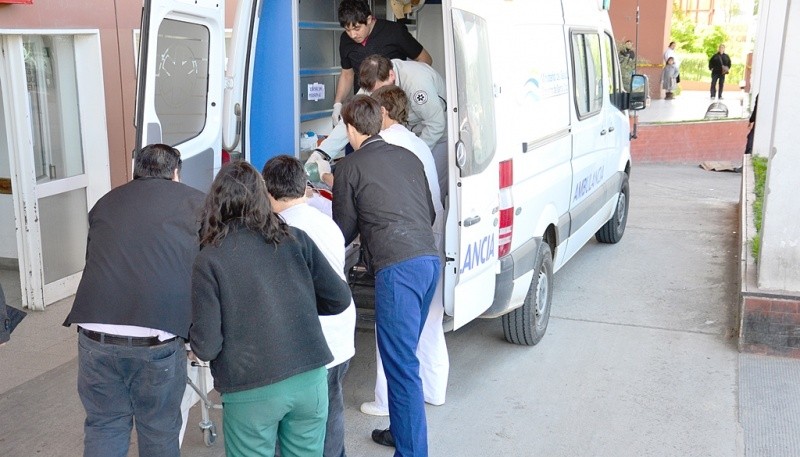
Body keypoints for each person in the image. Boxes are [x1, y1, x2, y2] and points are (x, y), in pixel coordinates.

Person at [190, 161, 352, 457]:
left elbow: (207, 346)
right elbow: (339, 299)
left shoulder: (211, 258)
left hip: (250, 387)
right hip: (310, 377)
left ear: (215, 202)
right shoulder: (294, 238)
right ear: (264, 196)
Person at [63, 143, 204, 457]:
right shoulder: (198, 204)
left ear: (135, 171)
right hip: (155, 339)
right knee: (158, 430)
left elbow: (95, 258)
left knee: (104, 425)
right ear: (176, 172)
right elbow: (204, 274)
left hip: (94, 335)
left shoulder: (105, 203)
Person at [332, 95, 439, 456]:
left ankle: (412, 452)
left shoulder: (350, 166)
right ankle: (400, 430)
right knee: (405, 356)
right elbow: (429, 213)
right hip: (428, 261)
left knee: (401, 365)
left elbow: (342, 231)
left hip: (398, 270)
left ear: (350, 128)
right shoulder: (408, 157)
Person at [357, 84, 449, 417]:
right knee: (429, 321)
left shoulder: (387, 144)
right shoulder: (415, 142)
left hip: (403, 244)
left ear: (382, 113)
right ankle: (434, 390)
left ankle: (385, 401)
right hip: (428, 239)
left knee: (393, 334)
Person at [261, 155, 357, 457]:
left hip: (305, 341)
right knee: (330, 410)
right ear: (305, 188)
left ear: (265, 189)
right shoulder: (326, 223)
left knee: (289, 419)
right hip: (339, 333)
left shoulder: (274, 231)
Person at [309, 54, 448, 203]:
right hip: (406, 131)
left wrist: (412, 153)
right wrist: (323, 152)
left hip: (436, 135)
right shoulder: (373, 82)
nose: (378, 94)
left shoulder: (417, 83)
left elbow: (436, 124)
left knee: (430, 191)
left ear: (391, 75)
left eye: (381, 89)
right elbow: (352, 118)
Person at [332, 0, 432, 127]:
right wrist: (337, 104)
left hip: (394, 109)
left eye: (357, 28)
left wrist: (413, 97)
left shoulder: (394, 31)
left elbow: (425, 60)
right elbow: (347, 74)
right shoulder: (345, 40)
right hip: (366, 108)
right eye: (347, 29)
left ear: (369, 19)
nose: (352, 35)